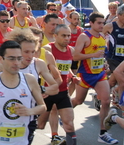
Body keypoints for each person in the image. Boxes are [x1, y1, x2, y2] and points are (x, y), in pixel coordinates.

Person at [71, 12, 118, 144]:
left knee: (106, 101)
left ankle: (103, 133)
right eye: (99, 23)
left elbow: (102, 55)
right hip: (85, 74)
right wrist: (92, 54)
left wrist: (105, 63)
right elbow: (75, 56)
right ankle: (64, 112)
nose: (101, 25)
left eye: (103, 23)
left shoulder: (103, 36)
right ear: (91, 23)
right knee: (78, 100)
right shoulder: (84, 36)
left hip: (99, 74)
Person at [38, 24, 79, 145]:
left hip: (62, 92)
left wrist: (72, 76)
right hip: (47, 92)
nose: (67, 38)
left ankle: (61, 139)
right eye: (63, 36)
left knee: (69, 124)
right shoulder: (47, 50)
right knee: (39, 125)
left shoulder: (71, 50)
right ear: (55, 36)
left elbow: (66, 68)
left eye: (68, 36)